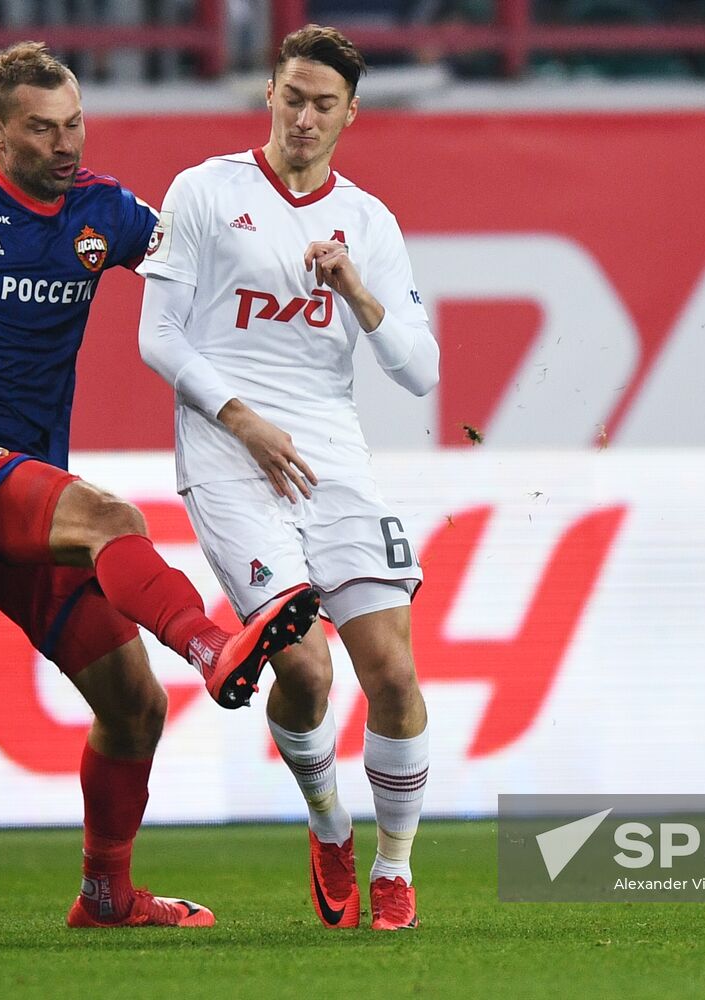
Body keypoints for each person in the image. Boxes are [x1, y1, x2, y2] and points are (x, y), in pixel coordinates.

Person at [0, 41, 322, 929]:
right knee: (111, 516)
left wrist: (300, 271)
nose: (65, 143)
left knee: (132, 707)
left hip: (30, 485)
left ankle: (106, 897)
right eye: (42, 129)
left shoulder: (104, 213)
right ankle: (211, 647)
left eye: (74, 123)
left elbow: (196, 264)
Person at [137, 24, 439, 931]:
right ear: (269, 92)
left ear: (352, 113)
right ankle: (327, 823)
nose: (304, 118)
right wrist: (241, 419)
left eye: (325, 104)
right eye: (293, 97)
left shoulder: (370, 221)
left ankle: (393, 865)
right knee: (303, 668)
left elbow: (420, 370)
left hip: (332, 452)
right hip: (229, 451)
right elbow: (157, 336)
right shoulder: (204, 190)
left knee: (391, 668)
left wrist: (356, 289)